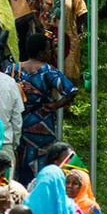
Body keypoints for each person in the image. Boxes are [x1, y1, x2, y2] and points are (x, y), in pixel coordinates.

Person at [15, 34, 77, 182]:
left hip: (21, 122)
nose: (51, 52)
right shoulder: (48, 71)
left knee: (22, 158)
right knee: (45, 159)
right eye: (49, 49)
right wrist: (57, 105)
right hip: (44, 123)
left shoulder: (13, 69)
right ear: (40, 53)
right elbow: (72, 91)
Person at [30, 0, 88, 82]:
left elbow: (81, 8)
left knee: (68, 58)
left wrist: (80, 26)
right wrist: (38, 24)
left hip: (67, 29)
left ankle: (67, 85)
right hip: (46, 30)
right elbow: (32, 8)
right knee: (48, 56)